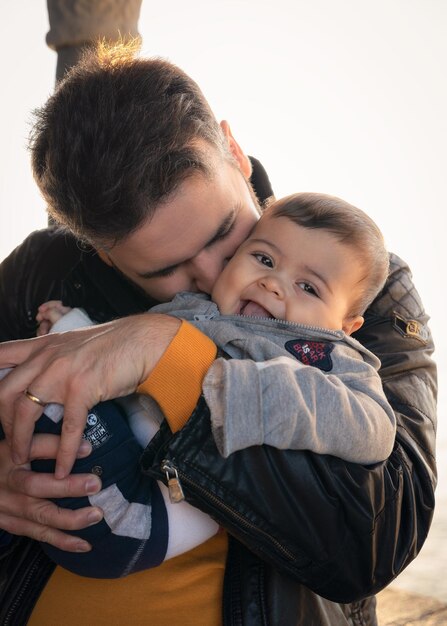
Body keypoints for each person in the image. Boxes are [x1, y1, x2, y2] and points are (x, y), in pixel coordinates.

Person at [0, 43, 437, 626]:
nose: (213, 275)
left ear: (233, 151)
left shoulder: (349, 279)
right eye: (166, 271)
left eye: (226, 232)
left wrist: (170, 356)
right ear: (101, 256)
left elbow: (377, 536)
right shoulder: (44, 272)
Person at [5, 191, 395, 580]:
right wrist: (85, 332)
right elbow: (117, 360)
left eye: (309, 287)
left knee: (34, 384)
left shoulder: (327, 355)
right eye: (264, 259)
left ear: (345, 327)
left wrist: (239, 390)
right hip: (119, 452)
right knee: (32, 375)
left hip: (151, 515)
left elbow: (373, 426)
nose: (273, 284)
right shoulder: (192, 308)